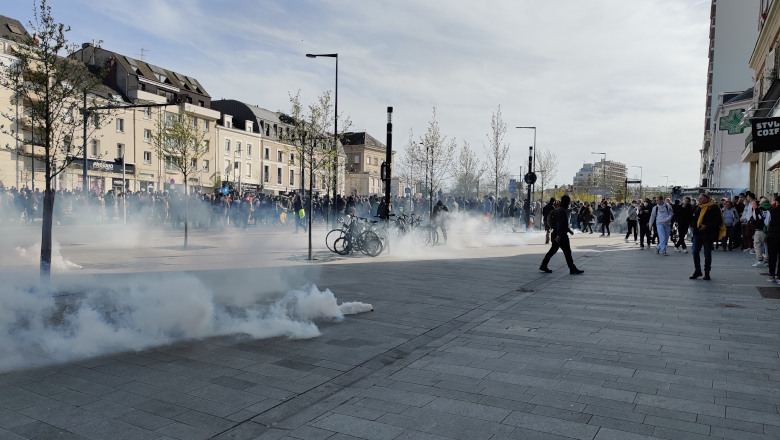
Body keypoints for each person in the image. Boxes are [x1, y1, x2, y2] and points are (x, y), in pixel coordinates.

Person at [539, 195, 584, 275]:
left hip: (558, 233)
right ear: (566, 203)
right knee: (567, 252)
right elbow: (559, 224)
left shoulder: (559, 210)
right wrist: (559, 235)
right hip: (561, 235)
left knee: (553, 250)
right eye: (568, 202)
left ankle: (543, 265)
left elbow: (561, 223)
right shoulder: (562, 211)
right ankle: (572, 268)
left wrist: (569, 230)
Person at [690, 193, 725, 280]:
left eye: (701, 198)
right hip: (698, 234)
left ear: (707, 199)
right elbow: (694, 219)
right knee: (695, 252)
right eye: (699, 198)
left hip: (708, 234)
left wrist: (707, 226)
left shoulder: (713, 207)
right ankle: (697, 271)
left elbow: (718, 220)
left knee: (707, 254)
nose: (699, 200)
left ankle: (707, 273)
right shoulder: (698, 208)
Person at [765, 202, 780, 283]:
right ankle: (779, 276)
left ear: (777, 202)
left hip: (772, 235)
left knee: (772, 256)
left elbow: (767, 222)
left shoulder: (771, 211)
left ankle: (772, 275)